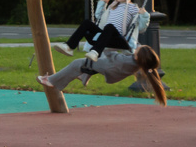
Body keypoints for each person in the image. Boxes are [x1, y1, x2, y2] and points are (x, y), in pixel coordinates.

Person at [37, 44, 169, 106]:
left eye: (137, 49)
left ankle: (52, 81)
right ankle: (83, 76)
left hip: (108, 68)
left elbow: (109, 53)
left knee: (77, 64)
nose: (136, 47)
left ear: (137, 56)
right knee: (87, 64)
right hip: (111, 69)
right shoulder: (136, 62)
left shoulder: (126, 60)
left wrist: (110, 41)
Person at [53, 0, 149, 62]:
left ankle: (95, 52)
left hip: (120, 40)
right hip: (105, 36)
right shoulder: (112, 6)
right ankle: (69, 46)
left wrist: (144, 15)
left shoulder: (133, 8)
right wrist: (102, 4)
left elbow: (141, 28)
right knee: (87, 23)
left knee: (110, 27)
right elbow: (99, 16)